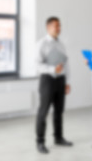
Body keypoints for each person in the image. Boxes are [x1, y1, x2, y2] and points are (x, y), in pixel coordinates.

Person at [35, 17, 73, 154]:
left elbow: (66, 64)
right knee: (43, 111)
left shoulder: (61, 44)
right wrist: (52, 69)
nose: (59, 29)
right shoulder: (42, 44)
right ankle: (40, 141)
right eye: (56, 26)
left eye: (59, 26)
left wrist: (67, 82)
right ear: (48, 27)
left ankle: (58, 137)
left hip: (60, 80)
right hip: (47, 80)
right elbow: (37, 66)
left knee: (59, 111)